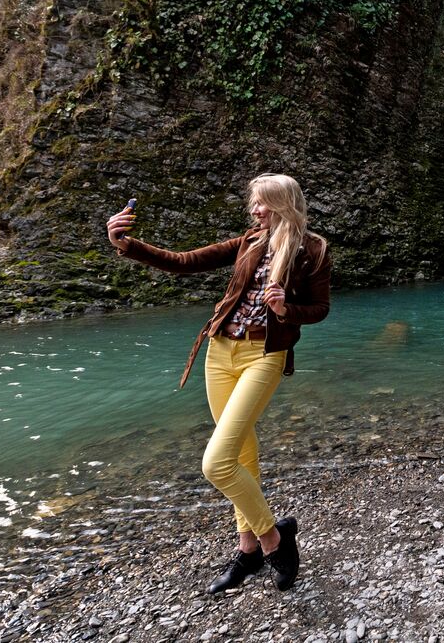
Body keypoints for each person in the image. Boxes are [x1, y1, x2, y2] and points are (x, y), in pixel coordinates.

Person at [105, 173, 333, 593]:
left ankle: (273, 540)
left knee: (217, 462)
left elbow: (320, 308)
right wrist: (127, 245)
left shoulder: (313, 250)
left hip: (264, 355)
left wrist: (286, 310)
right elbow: (184, 261)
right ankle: (248, 551)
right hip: (219, 353)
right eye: (254, 203)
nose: (255, 209)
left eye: (262, 202)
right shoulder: (248, 241)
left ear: (284, 202)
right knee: (242, 455)